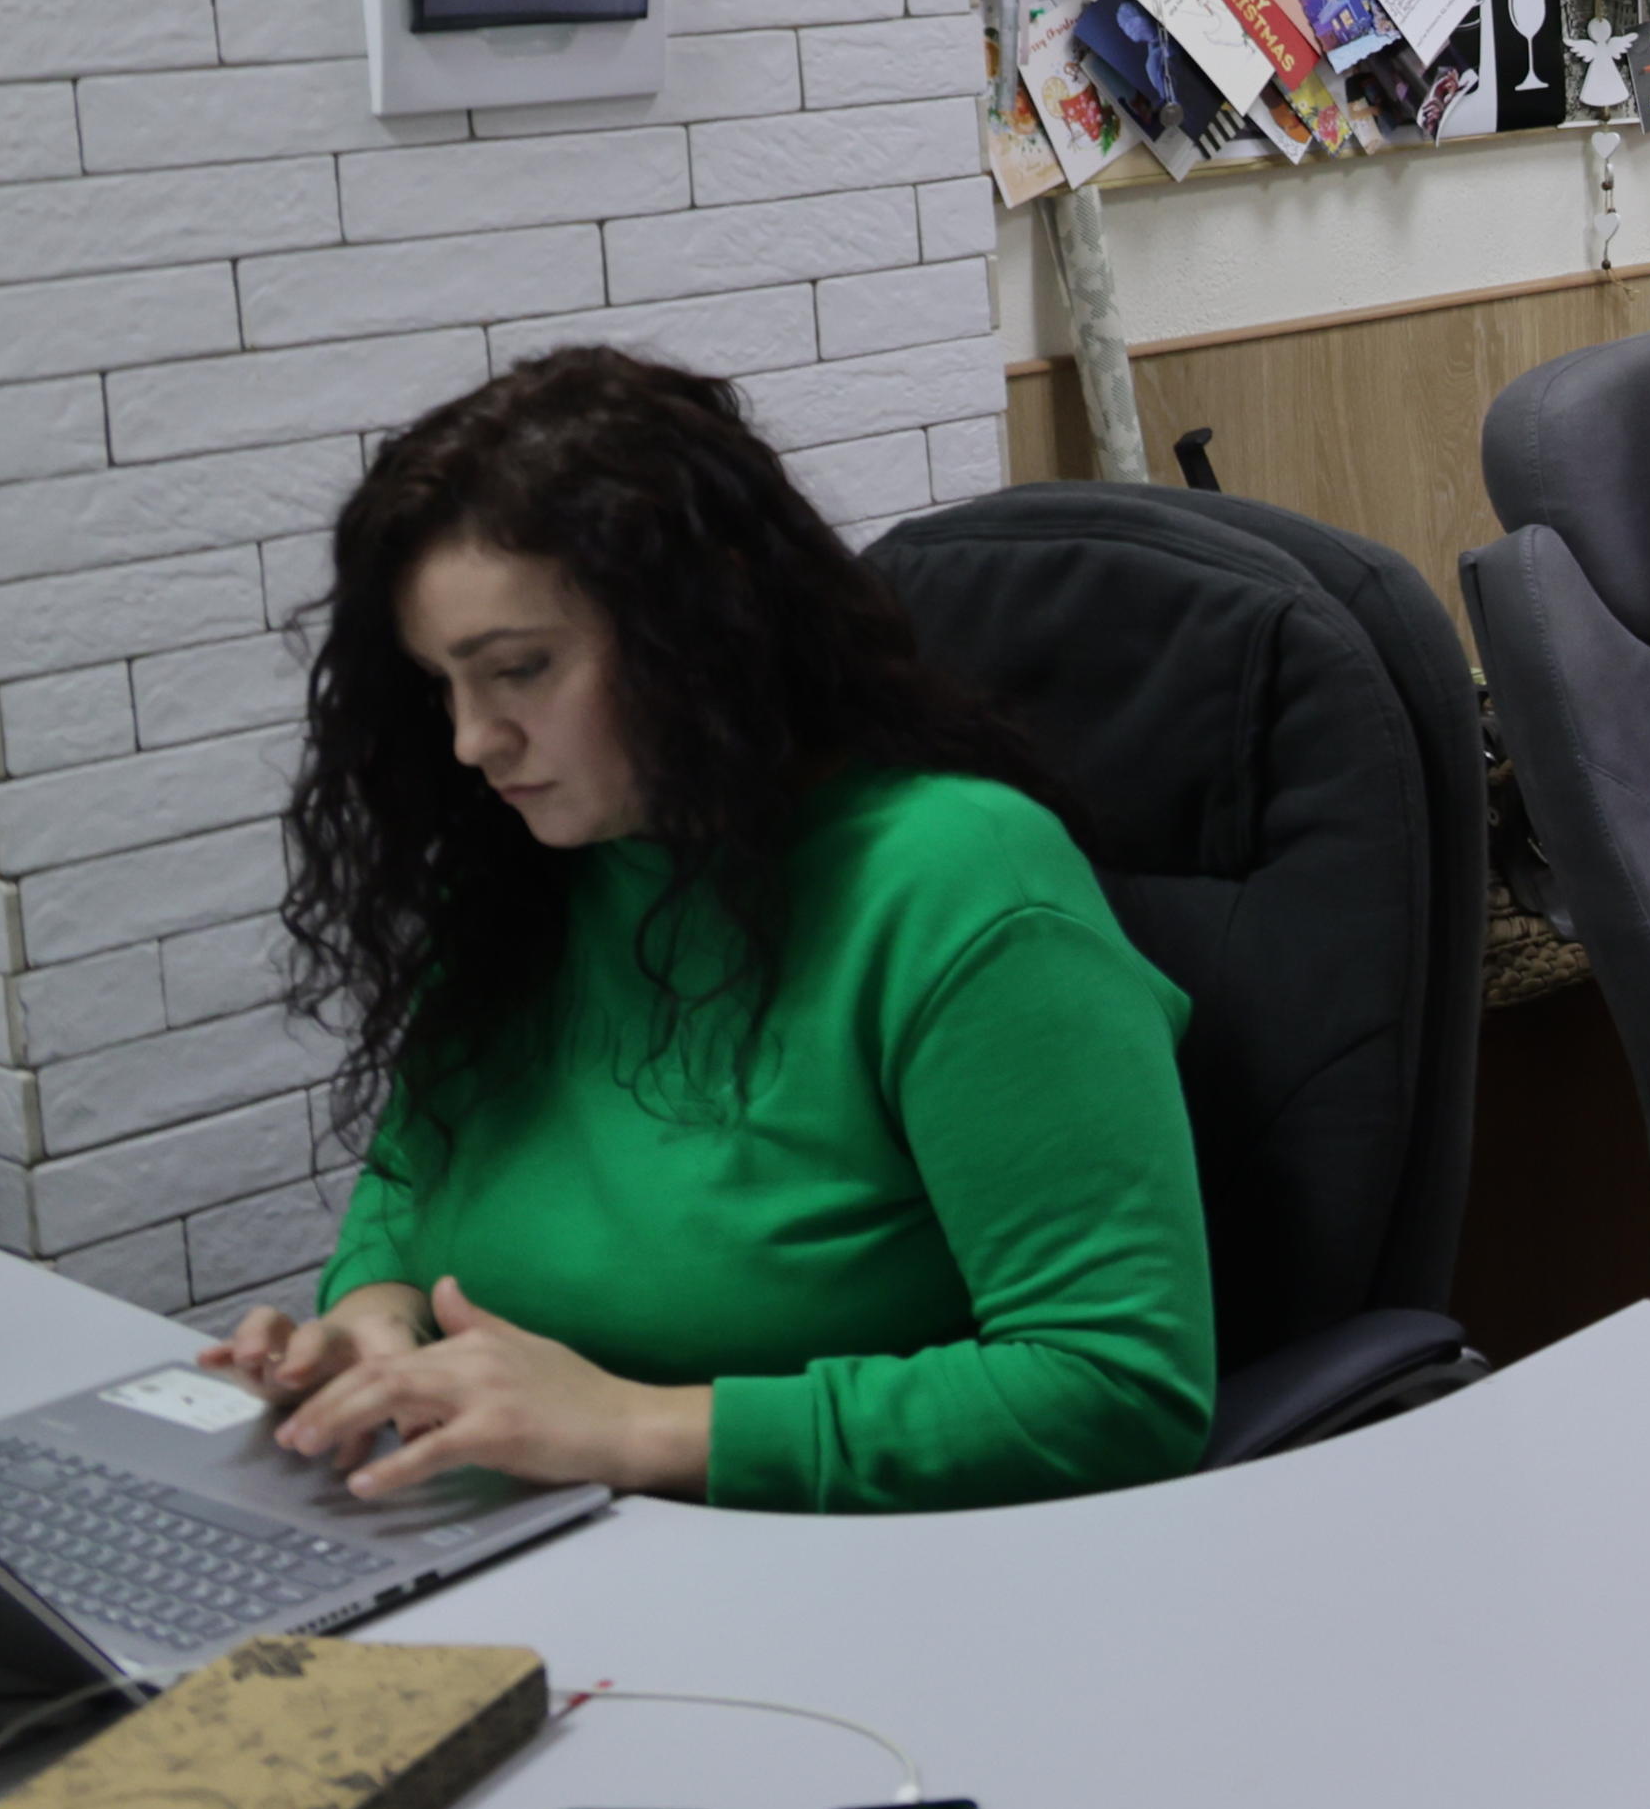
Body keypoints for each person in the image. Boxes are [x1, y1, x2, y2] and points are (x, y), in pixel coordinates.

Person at [207, 351, 1212, 1516]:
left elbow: (1118, 1387)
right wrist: (374, 1327)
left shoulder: (957, 884)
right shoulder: (543, 865)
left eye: (518, 672)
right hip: (540, 1535)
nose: (472, 741)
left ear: (704, 628)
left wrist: (633, 1427)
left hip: (857, 1584)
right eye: (442, 685)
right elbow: (412, 1177)